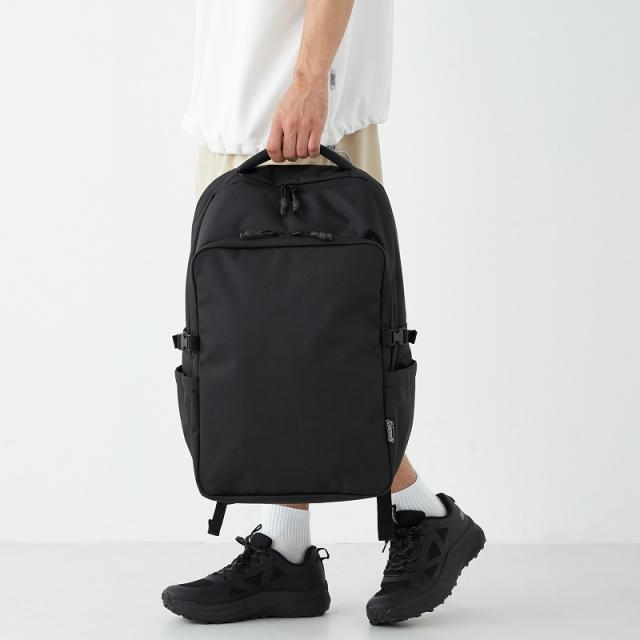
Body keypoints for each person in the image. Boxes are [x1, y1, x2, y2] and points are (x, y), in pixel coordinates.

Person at [162, 0, 484, 626]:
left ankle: (424, 514)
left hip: (297, 104)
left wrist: (310, 80)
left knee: (313, 357)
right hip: (244, 101)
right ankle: (288, 550)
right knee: (268, 359)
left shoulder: (304, 92)